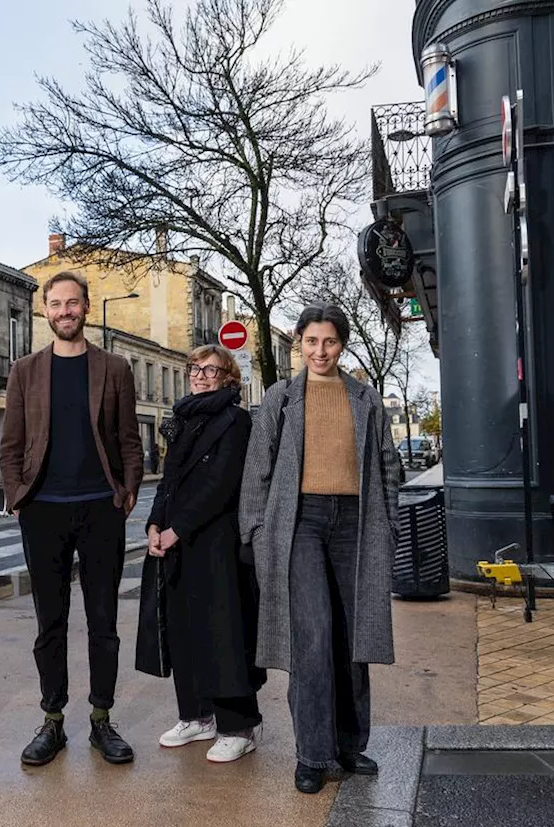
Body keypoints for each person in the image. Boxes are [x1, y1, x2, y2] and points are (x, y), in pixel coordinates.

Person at [239, 304, 401, 795]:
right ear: (300, 345)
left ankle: (350, 745)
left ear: (342, 344)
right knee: (312, 636)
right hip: (299, 523)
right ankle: (312, 754)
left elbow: (388, 465)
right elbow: (258, 467)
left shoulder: (366, 399)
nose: (320, 351)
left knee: (354, 638)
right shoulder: (280, 398)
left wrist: (389, 525)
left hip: (356, 523)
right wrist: (257, 530)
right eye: (311, 342)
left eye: (329, 342)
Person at [0, 270, 144, 766]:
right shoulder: (24, 371)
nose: (65, 311)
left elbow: (129, 440)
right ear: (46, 310)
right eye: (56, 304)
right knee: (50, 622)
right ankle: (53, 722)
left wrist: (126, 491)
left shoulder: (115, 368)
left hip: (100, 509)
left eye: (73, 303)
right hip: (43, 510)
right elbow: (12, 443)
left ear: (86, 306)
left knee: (103, 620)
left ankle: (102, 720)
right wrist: (17, 495)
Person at [138, 345, 265, 763]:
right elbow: (168, 481)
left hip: (216, 543)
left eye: (211, 370)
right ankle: (197, 715)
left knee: (223, 632)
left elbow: (221, 484)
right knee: (183, 629)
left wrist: (177, 529)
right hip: (178, 542)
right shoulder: (183, 419)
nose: (200, 375)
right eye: (195, 368)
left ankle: (238, 726)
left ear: (229, 378)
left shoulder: (236, 420)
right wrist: (155, 525)